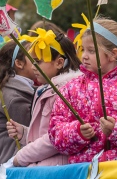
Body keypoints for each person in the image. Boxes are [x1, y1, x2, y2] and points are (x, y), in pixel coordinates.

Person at [49, 17, 117, 163]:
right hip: (87, 176)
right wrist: (77, 132)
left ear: (113, 54)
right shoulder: (71, 88)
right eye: (82, 49)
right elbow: (56, 133)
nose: (84, 56)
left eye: (91, 51)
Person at [6, 31, 81, 167]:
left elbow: (55, 140)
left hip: (56, 168)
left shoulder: (66, 93)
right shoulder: (46, 89)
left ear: (59, 62)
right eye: (32, 61)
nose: (33, 67)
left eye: (38, 62)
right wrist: (24, 133)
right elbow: (45, 133)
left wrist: (21, 157)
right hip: (44, 166)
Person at [0, 41, 35, 167]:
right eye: (34, 56)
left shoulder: (14, 88)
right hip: (10, 166)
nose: (39, 60)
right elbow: (35, 133)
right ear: (19, 63)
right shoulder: (14, 98)